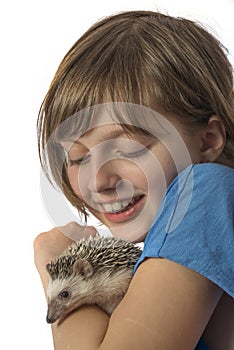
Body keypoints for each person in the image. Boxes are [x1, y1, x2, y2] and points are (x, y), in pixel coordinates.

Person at [34, 10, 234, 350]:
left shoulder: (204, 190)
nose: (99, 181)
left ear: (207, 140)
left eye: (127, 151)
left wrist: (53, 265)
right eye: (78, 157)